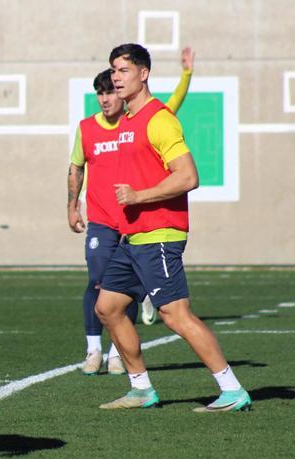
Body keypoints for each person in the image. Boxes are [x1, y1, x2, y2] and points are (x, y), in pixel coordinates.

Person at [95, 43, 251, 412]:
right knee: (109, 307)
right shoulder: (129, 120)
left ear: (143, 74)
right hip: (132, 237)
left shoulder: (159, 118)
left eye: (123, 70)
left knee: (174, 315)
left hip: (160, 234)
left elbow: (189, 176)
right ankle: (141, 389)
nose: (116, 77)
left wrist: (138, 196)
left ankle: (232, 390)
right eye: (113, 70)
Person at [68, 48, 195, 375]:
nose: (108, 95)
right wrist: (72, 205)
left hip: (139, 223)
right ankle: (95, 351)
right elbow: (75, 169)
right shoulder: (88, 129)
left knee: (166, 311)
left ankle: (117, 355)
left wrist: (186, 76)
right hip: (102, 221)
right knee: (100, 287)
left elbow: (169, 111)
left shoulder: (143, 120)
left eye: (115, 83)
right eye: (104, 89)